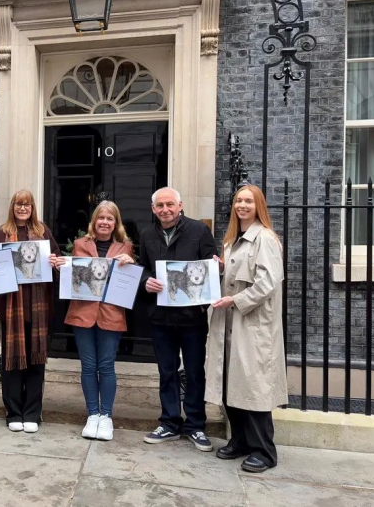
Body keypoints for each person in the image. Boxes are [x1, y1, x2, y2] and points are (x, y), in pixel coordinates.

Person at [206, 184, 287, 473]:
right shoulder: (233, 240)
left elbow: (268, 283)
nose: (242, 205)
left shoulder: (265, 238)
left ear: (258, 206)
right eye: (239, 200)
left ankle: (264, 452)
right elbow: (237, 275)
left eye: (248, 201)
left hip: (252, 324)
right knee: (233, 384)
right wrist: (221, 269)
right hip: (230, 324)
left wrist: (236, 300)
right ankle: (239, 441)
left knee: (254, 387)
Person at [138, 187, 217, 452]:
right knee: (166, 371)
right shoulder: (147, 234)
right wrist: (145, 281)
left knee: (194, 372)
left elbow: (211, 268)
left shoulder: (199, 231)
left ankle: (195, 425)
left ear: (180, 205)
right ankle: (170, 423)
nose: (165, 210)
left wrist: (203, 303)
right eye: (160, 206)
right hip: (160, 317)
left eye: (170, 204)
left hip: (192, 317)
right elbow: (143, 267)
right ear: (153, 209)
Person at [0, 190, 62, 433]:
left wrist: (56, 264)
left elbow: (58, 265)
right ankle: (13, 412)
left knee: (36, 361)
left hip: (39, 310)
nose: (23, 208)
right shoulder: (2, 233)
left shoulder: (43, 232)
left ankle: (32, 413)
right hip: (11, 310)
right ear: (13, 207)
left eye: (27, 204)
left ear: (32, 207)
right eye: (18, 204)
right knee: (11, 363)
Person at [64, 201, 136, 441]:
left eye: (110, 218)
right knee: (88, 366)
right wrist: (61, 267)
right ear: (94, 221)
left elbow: (130, 281)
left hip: (111, 313)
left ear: (116, 223)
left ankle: (106, 416)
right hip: (83, 313)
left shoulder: (126, 247)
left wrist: (131, 264)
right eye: (101, 218)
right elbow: (74, 278)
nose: (105, 222)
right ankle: (92, 414)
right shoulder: (79, 244)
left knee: (106, 366)